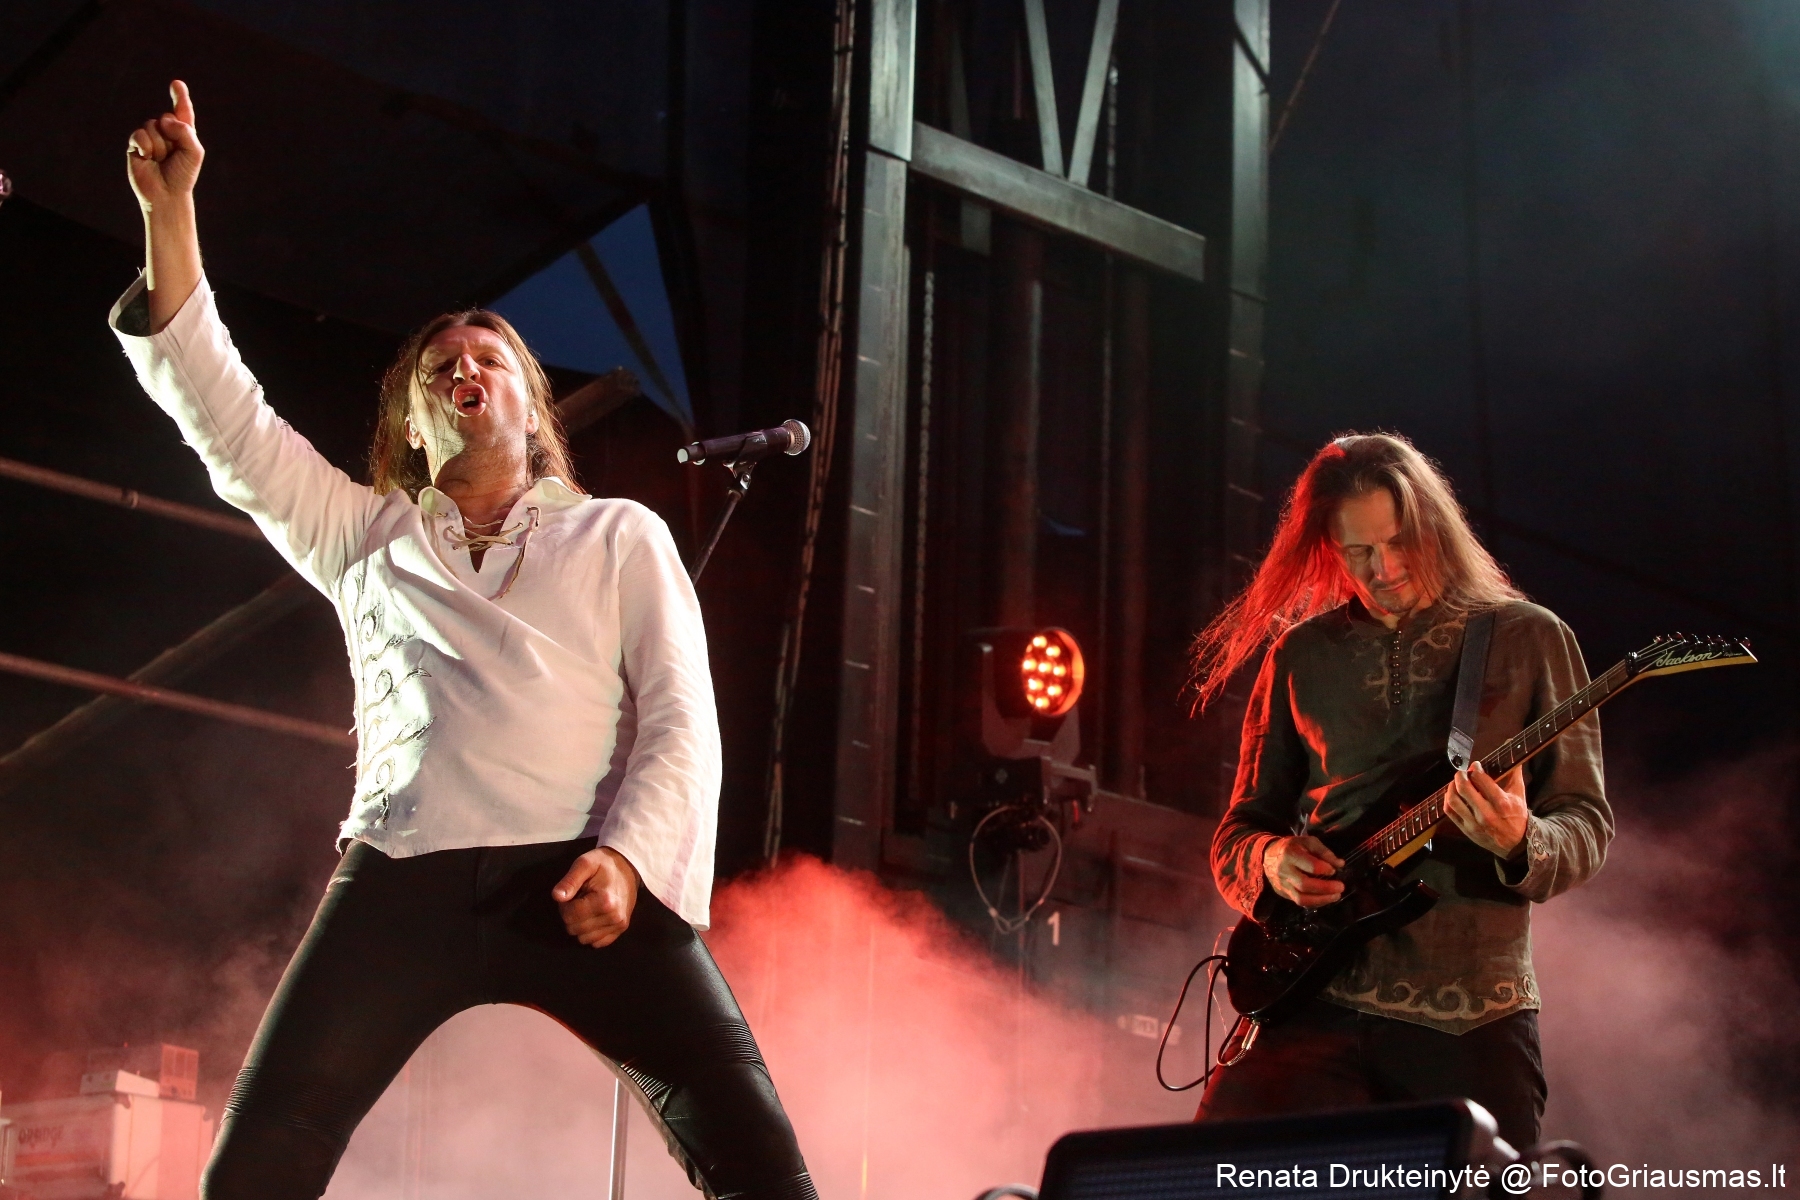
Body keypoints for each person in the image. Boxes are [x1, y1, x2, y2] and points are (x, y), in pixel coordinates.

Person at [118, 81, 817, 1200]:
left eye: (490, 356)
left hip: (581, 867)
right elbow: (227, 418)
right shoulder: (363, 533)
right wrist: (171, 215)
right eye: (440, 364)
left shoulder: (618, 534)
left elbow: (684, 717)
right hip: (402, 869)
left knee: (762, 1164)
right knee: (252, 1169)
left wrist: (633, 861)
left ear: (531, 408)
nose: (465, 367)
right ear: (412, 420)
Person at [1188, 433, 1611, 1151]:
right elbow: (1239, 834)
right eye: (1357, 552)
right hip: (1312, 999)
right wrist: (1271, 862)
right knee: (1209, 1176)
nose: (1382, 570)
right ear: (1327, 548)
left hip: (1470, 1016)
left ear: (1435, 528)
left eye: (1398, 543)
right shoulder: (1300, 654)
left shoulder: (1528, 638)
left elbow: (1586, 824)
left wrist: (1520, 839)